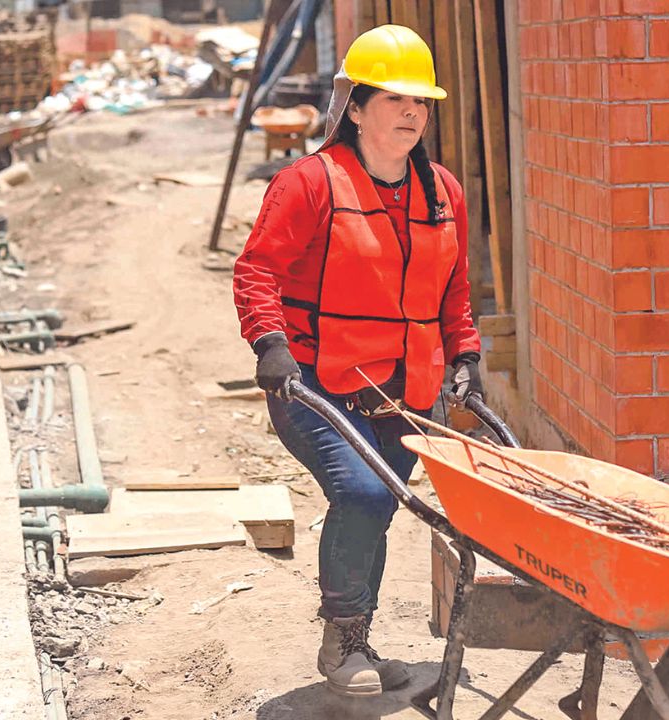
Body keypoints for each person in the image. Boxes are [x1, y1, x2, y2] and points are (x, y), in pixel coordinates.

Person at [232, 24, 483, 697]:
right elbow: (256, 270)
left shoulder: (442, 193)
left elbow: (453, 289)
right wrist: (270, 344)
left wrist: (464, 353)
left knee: (379, 507)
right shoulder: (309, 184)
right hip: (316, 385)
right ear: (357, 106)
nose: (411, 114)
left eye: (421, 103)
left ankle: (356, 638)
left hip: (405, 392)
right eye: (395, 99)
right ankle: (342, 642)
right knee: (364, 495)